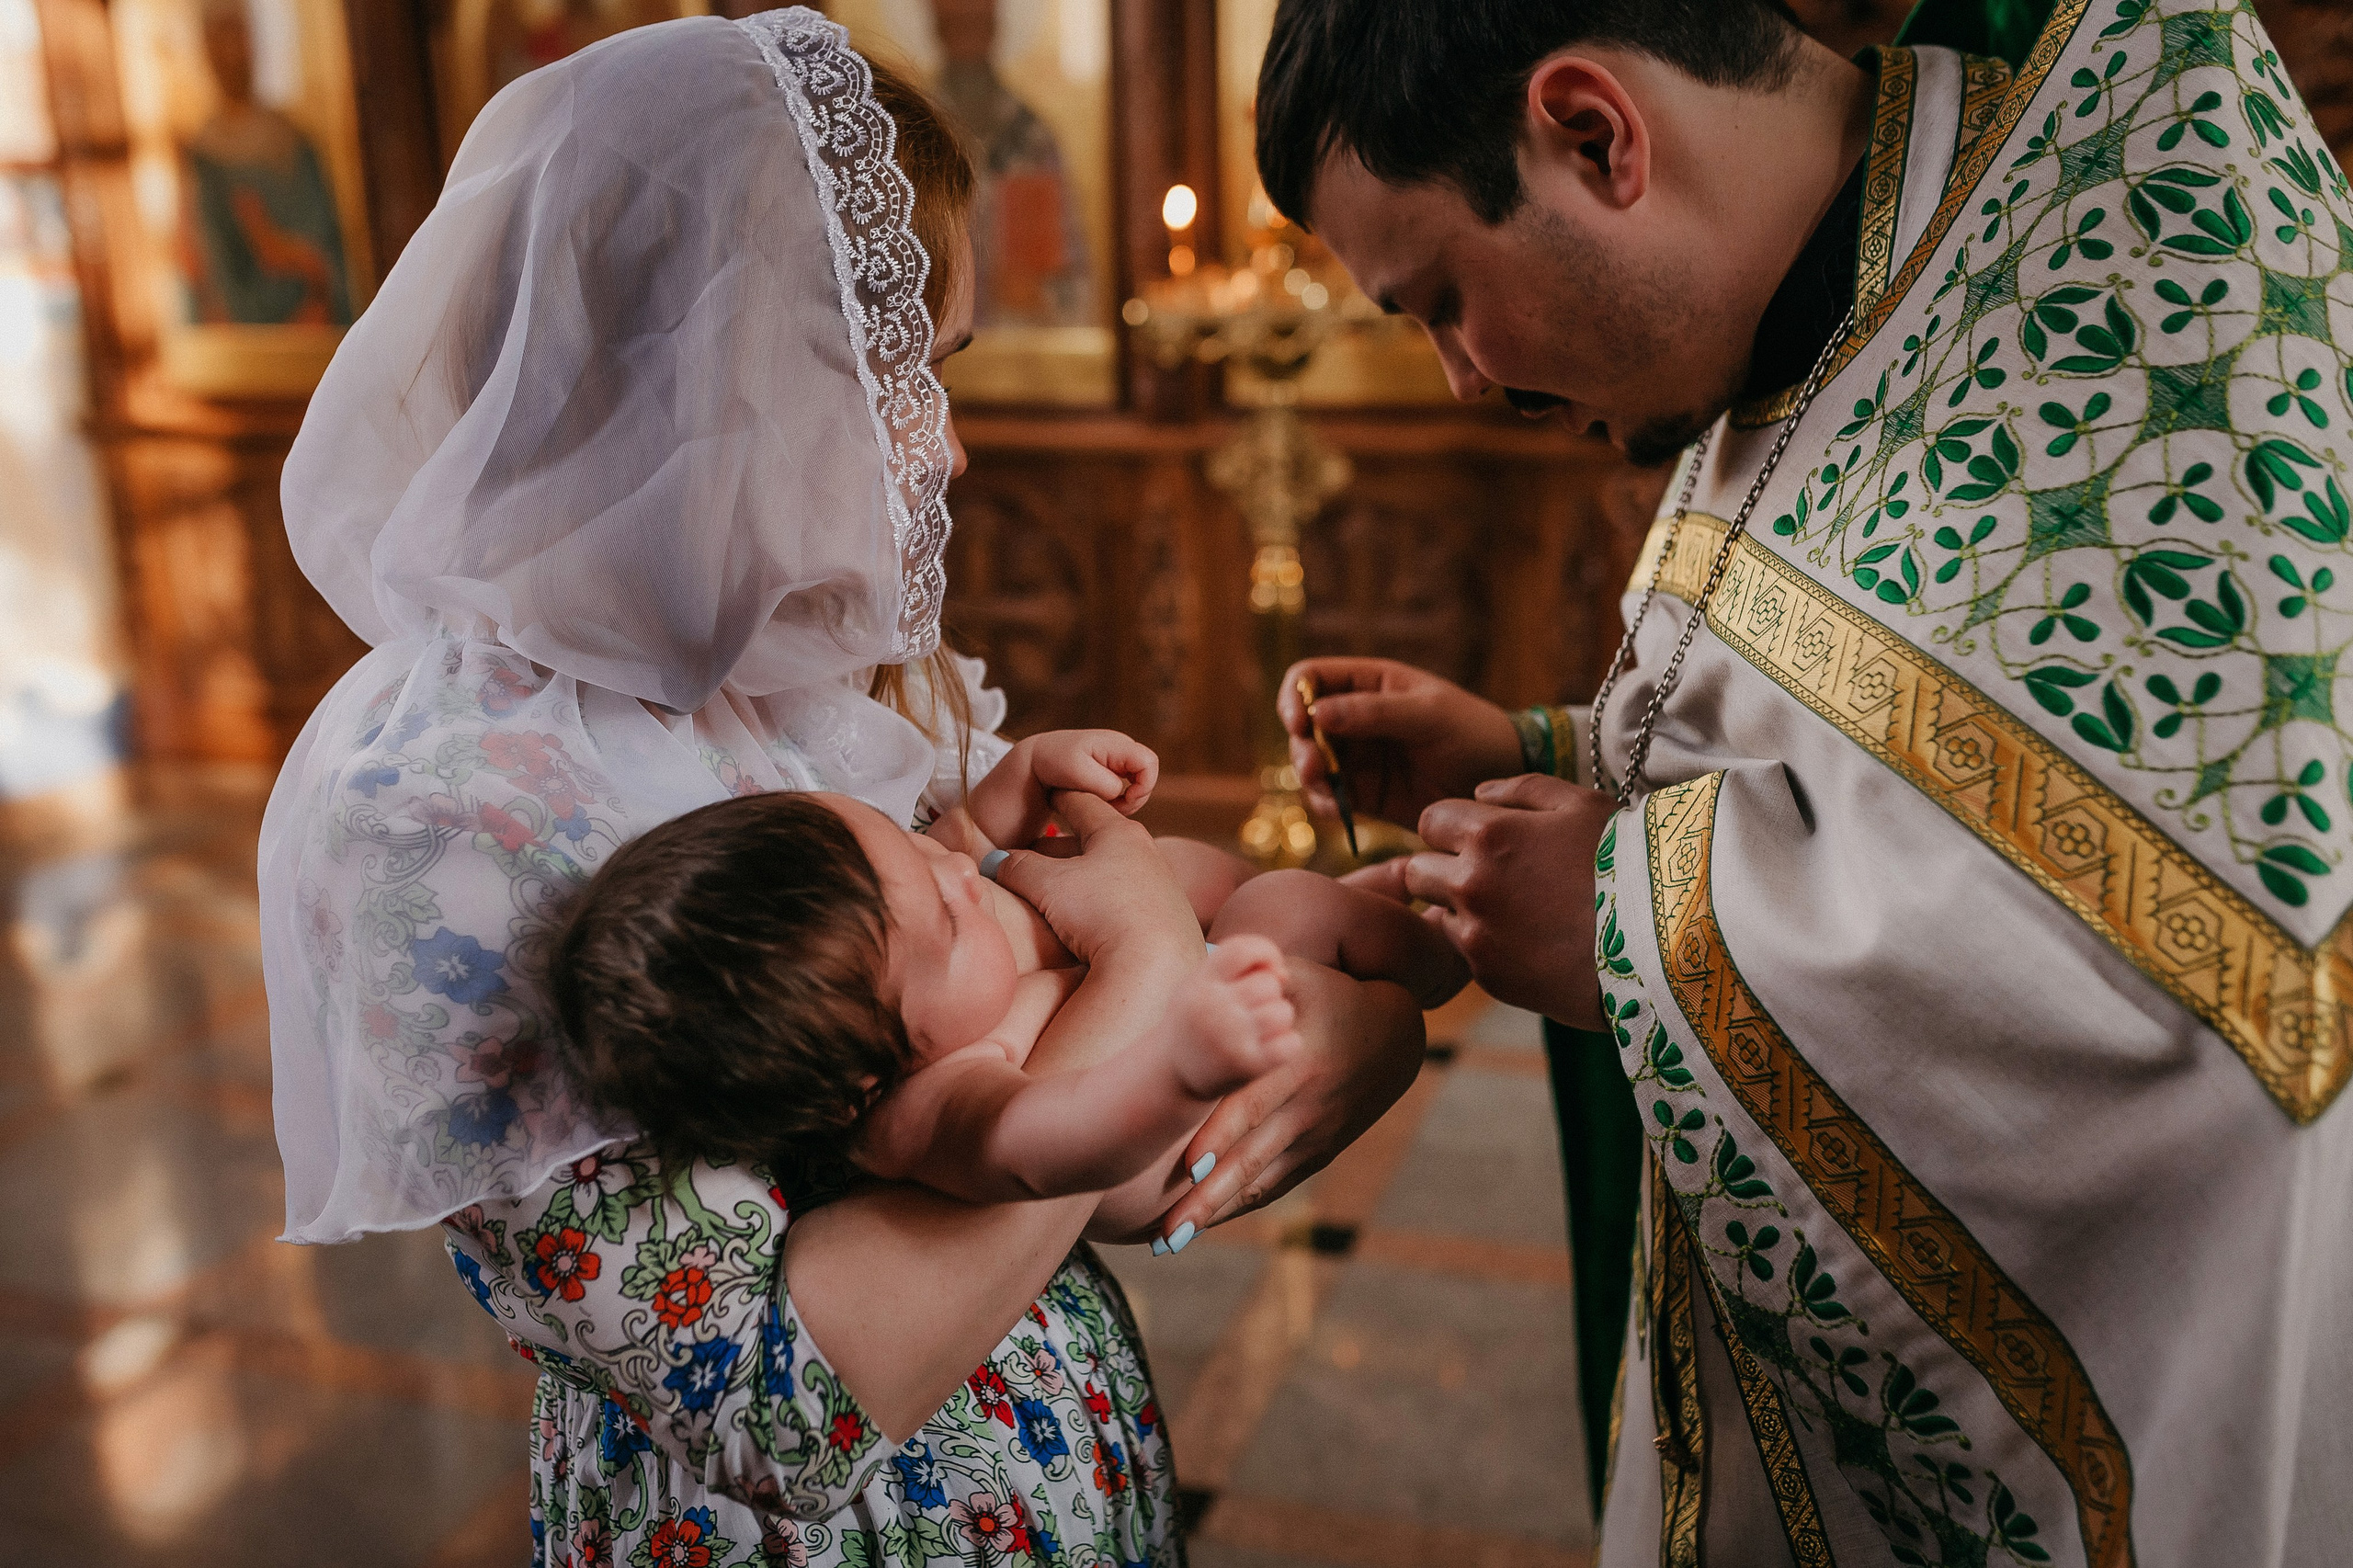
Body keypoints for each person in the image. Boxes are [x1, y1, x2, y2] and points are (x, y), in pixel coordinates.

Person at [257, 13, 1426, 1566]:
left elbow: (1087, 1109)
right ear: (696, 353)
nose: (941, 456)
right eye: (894, 371)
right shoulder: (445, 815)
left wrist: (1355, 1033)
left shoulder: (794, 655)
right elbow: (776, 1409)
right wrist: (1154, 949)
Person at [1256, 0, 2351, 1562]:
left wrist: (1647, 922)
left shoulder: (2141, 229)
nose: (1458, 378)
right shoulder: (1826, 289)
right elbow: (1938, 758)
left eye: (1441, 299)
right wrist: (1541, 754)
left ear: (1593, 134)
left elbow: (2246, 981)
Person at [547, 735, 1463, 1217]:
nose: (956, 870)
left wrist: (1029, 769)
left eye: (904, 840)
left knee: (1267, 905)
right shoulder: (934, 1105)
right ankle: (1446, 948)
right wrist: (1180, 1063)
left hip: (1198, 959)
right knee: (1293, 911)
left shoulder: (908, 928)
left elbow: (959, 841)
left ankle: (1391, 917)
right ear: (859, 1082)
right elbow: (1053, 1136)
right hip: (1149, 1154)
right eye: (947, 919)